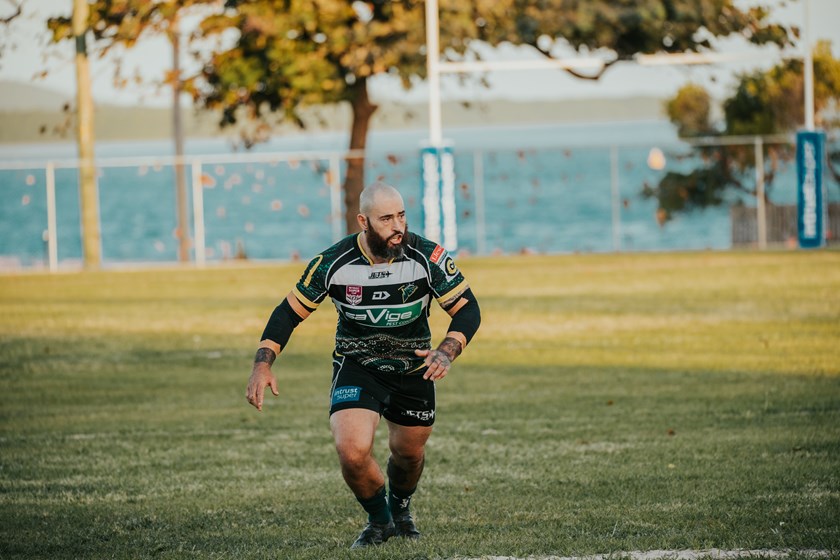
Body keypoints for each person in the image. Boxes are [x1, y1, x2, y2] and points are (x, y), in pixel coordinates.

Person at [245, 182, 481, 549]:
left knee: (408, 455)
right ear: (363, 222)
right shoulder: (332, 263)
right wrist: (263, 363)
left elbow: (468, 309)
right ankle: (380, 521)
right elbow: (287, 314)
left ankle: (401, 509)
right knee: (352, 450)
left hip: (414, 367)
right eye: (386, 218)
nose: (397, 226)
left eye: (401, 215)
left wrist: (447, 350)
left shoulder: (427, 256)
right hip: (358, 365)